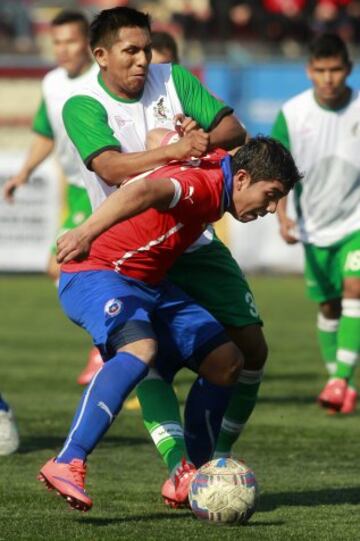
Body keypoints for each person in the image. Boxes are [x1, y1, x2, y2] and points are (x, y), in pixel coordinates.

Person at [56, 5, 270, 506]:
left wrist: (186, 143)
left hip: (194, 242)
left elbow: (233, 132)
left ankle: (216, 464)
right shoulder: (81, 102)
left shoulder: (172, 78)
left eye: (146, 48)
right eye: (130, 50)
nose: (142, 59)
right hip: (131, 246)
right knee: (145, 354)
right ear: (101, 55)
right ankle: (183, 469)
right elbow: (111, 169)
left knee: (248, 352)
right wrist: (173, 150)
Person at [38, 135, 301, 512]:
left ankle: (189, 476)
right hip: (98, 272)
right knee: (140, 348)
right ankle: (68, 460)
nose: (273, 207)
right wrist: (85, 232)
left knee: (227, 361)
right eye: (271, 194)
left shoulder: (220, 168)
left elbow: (226, 134)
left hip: (150, 283)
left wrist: (184, 131)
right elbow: (144, 190)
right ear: (241, 179)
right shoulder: (204, 186)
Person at [2, 10, 103, 386]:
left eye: (71, 41)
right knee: (63, 267)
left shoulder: (104, 80)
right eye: (56, 42)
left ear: (90, 45)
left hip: (106, 188)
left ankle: (107, 346)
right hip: (79, 191)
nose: (62, 49)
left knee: (62, 264)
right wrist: (24, 173)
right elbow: (46, 132)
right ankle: (110, 341)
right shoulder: (51, 83)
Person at [272, 33, 360, 414]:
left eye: (336, 70)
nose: (328, 78)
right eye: (321, 70)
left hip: (355, 221)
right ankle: (336, 382)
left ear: (349, 69)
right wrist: (281, 213)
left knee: (355, 289)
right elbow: (276, 169)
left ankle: (340, 379)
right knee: (328, 306)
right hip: (314, 226)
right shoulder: (292, 113)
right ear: (309, 71)